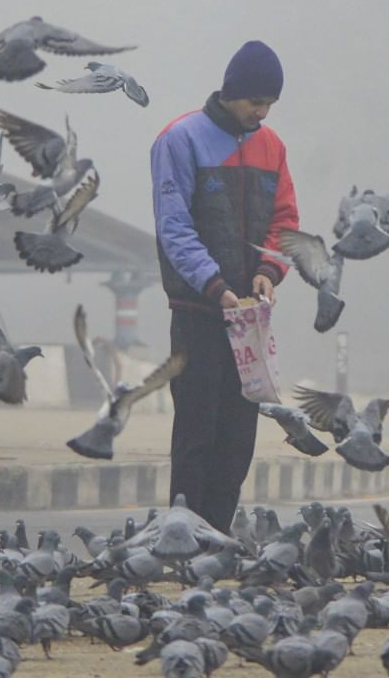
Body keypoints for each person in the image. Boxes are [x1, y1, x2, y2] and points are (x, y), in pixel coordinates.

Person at [151, 40, 299, 532]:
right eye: (256, 102)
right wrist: (215, 285)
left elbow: (285, 221)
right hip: (198, 311)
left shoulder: (271, 146)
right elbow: (174, 228)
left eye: (270, 105)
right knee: (197, 429)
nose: (262, 113)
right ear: (232, 93)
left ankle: (215, 536)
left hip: (249, 318)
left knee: (239, 436)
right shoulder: (179, 140)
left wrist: (270, 270)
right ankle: (183, 537)